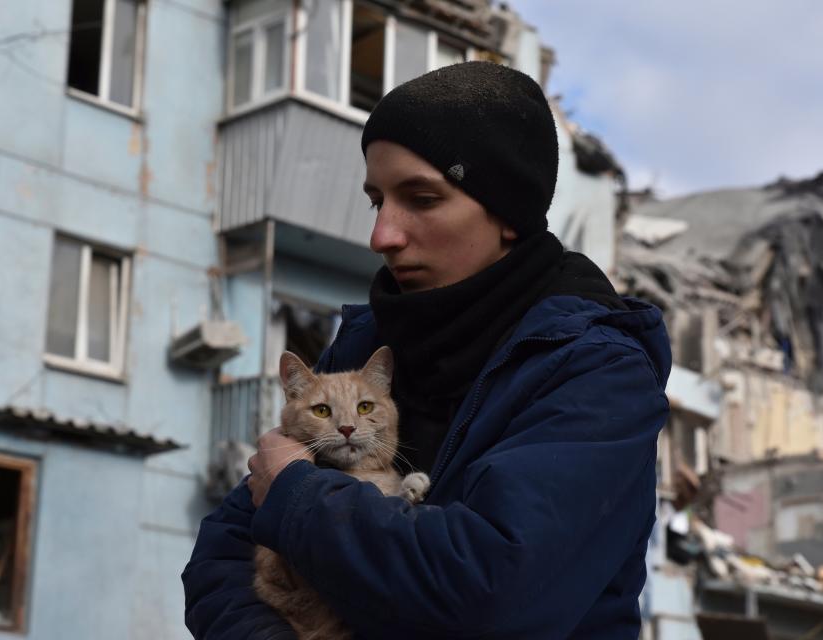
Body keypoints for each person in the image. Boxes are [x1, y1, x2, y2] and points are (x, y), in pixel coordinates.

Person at [182, 61, 670, 639]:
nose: (382, 235)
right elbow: (219, 563)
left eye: (421, 197)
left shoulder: (596, 369)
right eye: (375, 201)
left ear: (508, 212)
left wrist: (296, 496)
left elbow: (489, 588)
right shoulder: (367, 349)